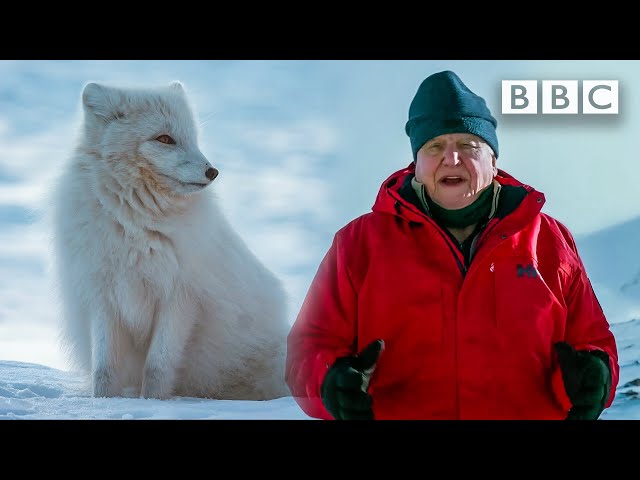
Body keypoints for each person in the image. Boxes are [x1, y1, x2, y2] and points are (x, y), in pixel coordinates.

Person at [285, 70, 619, 420]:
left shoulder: (549, 239)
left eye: (468, 145)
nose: (452, 158)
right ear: (416, 163)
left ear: (493, 161)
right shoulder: (357, 244)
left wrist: (593, 375)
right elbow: (309, 348)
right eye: (434, 146)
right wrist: (330, 383)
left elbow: (594, 340)